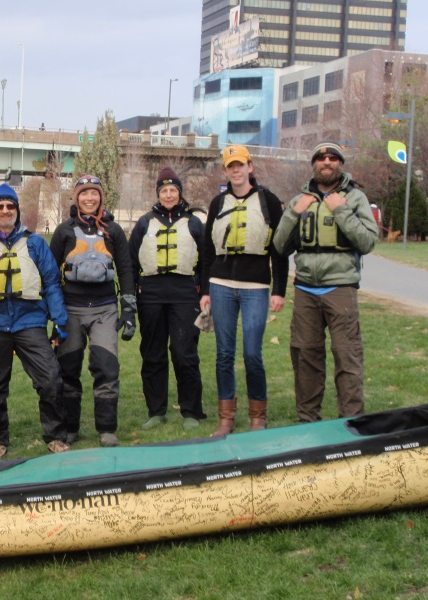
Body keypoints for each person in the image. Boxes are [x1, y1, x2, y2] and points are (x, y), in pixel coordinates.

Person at [273, 142, 377, 422]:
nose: (327, 162)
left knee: (347, 357)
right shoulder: (300, 200)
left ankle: (352, 421)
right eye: (321, 158)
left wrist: (341, 211)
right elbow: (279, 246)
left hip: (340, 288)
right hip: (306, 289)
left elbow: (367, 242)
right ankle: (308, 421)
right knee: (305, 357)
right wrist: (294, 213)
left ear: (340, 163)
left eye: (332, 158)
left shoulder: (355, 199)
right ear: (314, 164)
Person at [0, 183, 70, 460]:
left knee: (49, 379)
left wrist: (59, 319)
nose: (5, 211)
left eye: (10, 206)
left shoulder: (35, 244)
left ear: (17, 210)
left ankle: (56, 436)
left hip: (29, 322)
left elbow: (50, 282)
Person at [200, 145, 288, 435]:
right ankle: (226, 418)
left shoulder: (269, 201)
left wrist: (279, 290)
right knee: (224, 354)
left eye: (240, 165)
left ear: (250, 167)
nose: (235, 170)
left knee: (252, 353)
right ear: (225, 171)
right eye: (230, 166)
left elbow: (280, 248)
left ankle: (257, 417)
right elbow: (207, 250)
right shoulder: (218, 203)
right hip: (221, 285)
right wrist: (204, 289)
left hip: (256, 287)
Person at [50, 174, 134, 446]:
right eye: (84, 194)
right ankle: (71, 427)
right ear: (76, 198)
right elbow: (50, 275)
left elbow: (125, 269)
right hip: (70, 310)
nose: (89, 198)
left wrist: (129, 310)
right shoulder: (63, 231)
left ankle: (107, 429)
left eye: (94, 193)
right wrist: (53, 316)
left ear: (101, 197)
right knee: (68, 369)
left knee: (107, 367)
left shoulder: (114, 231)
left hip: (104, 310)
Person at [128, 167, 207, 431]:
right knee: (153, 353)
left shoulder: (194, 223)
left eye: (173, 190)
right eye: (164, 190)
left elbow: (207, 262)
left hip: (185, 292)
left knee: (184, 353)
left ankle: (192, 411)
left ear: (180, 192)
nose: (169, 194)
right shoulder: (144, 223)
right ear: (158, 193)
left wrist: (205, 292)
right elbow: (130, 261)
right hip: (150, 293)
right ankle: (156, 410)